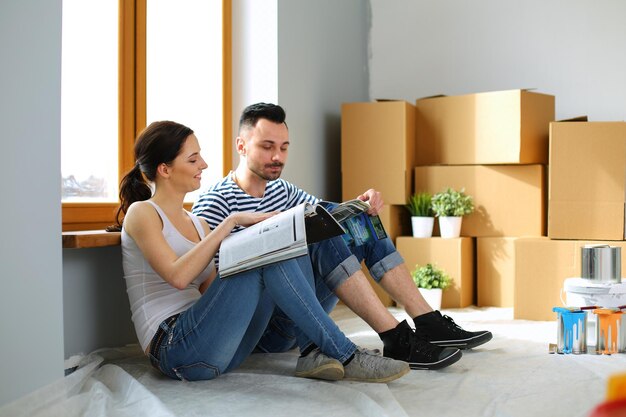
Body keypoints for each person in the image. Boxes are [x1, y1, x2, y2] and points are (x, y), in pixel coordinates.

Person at [192, 103, 493, 371]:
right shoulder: (215, 203)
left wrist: (364, 202)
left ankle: (426, 321)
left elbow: (331, 214)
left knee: (356, 221)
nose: (277, 156)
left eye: (284, 147)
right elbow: (212, 292)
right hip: (260, 329)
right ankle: (395, 336)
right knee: (321, 236)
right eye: (267, 146)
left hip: (299, 314)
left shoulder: (282, 190)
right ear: (241, 146)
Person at [115, 120, 410, 383]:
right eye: (193, 159)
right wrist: (230, 225)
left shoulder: (198, 223)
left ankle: (315, 348)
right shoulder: (143, 213)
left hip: (219, 349)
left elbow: (212, 294)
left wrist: (273, 244)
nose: (203, 164)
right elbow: (177, 277)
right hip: (174, 349)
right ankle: (343, 353)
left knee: (281, 246)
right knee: (263, 256)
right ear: (164, 169)